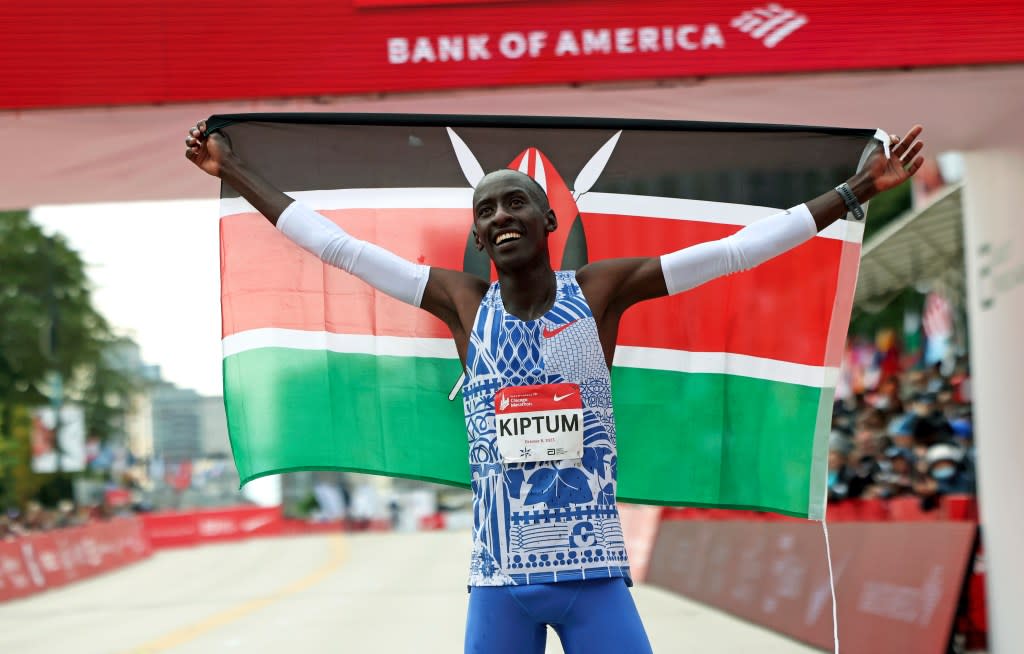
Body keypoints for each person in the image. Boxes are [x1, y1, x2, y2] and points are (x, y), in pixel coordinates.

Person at [185, 120, 924, 654]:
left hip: (593, 578)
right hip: (498, 581)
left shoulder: (600, 292)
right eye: (485, 211)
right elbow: (336, 247)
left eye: (514, 204)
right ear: (478, 238)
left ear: (548, 220)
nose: (500, 216)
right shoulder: (461, 303)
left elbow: (732, 254)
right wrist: (235, 175)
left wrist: (855, 190)